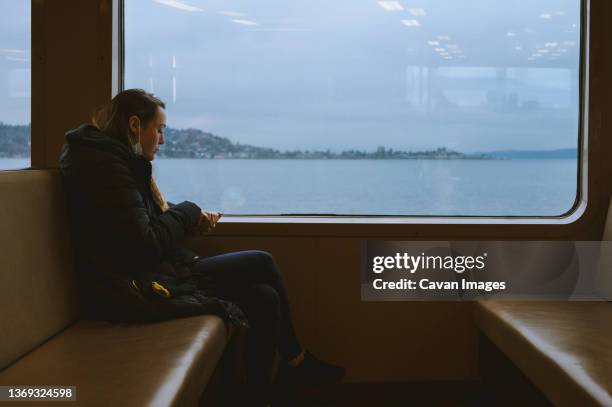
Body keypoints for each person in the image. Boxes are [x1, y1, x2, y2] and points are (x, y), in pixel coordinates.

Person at [58, 88, 345, 406]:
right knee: (261, 262)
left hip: (147, 277)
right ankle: (296, 362)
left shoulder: (112, 161)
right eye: (160, 129)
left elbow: (143, 218)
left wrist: (187, 216)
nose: (162, 140)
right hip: (129, 290)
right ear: (136, 126)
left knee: (264, 298)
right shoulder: (108, 168)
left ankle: (260, 394)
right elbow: (146, 245)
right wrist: (189, 211)